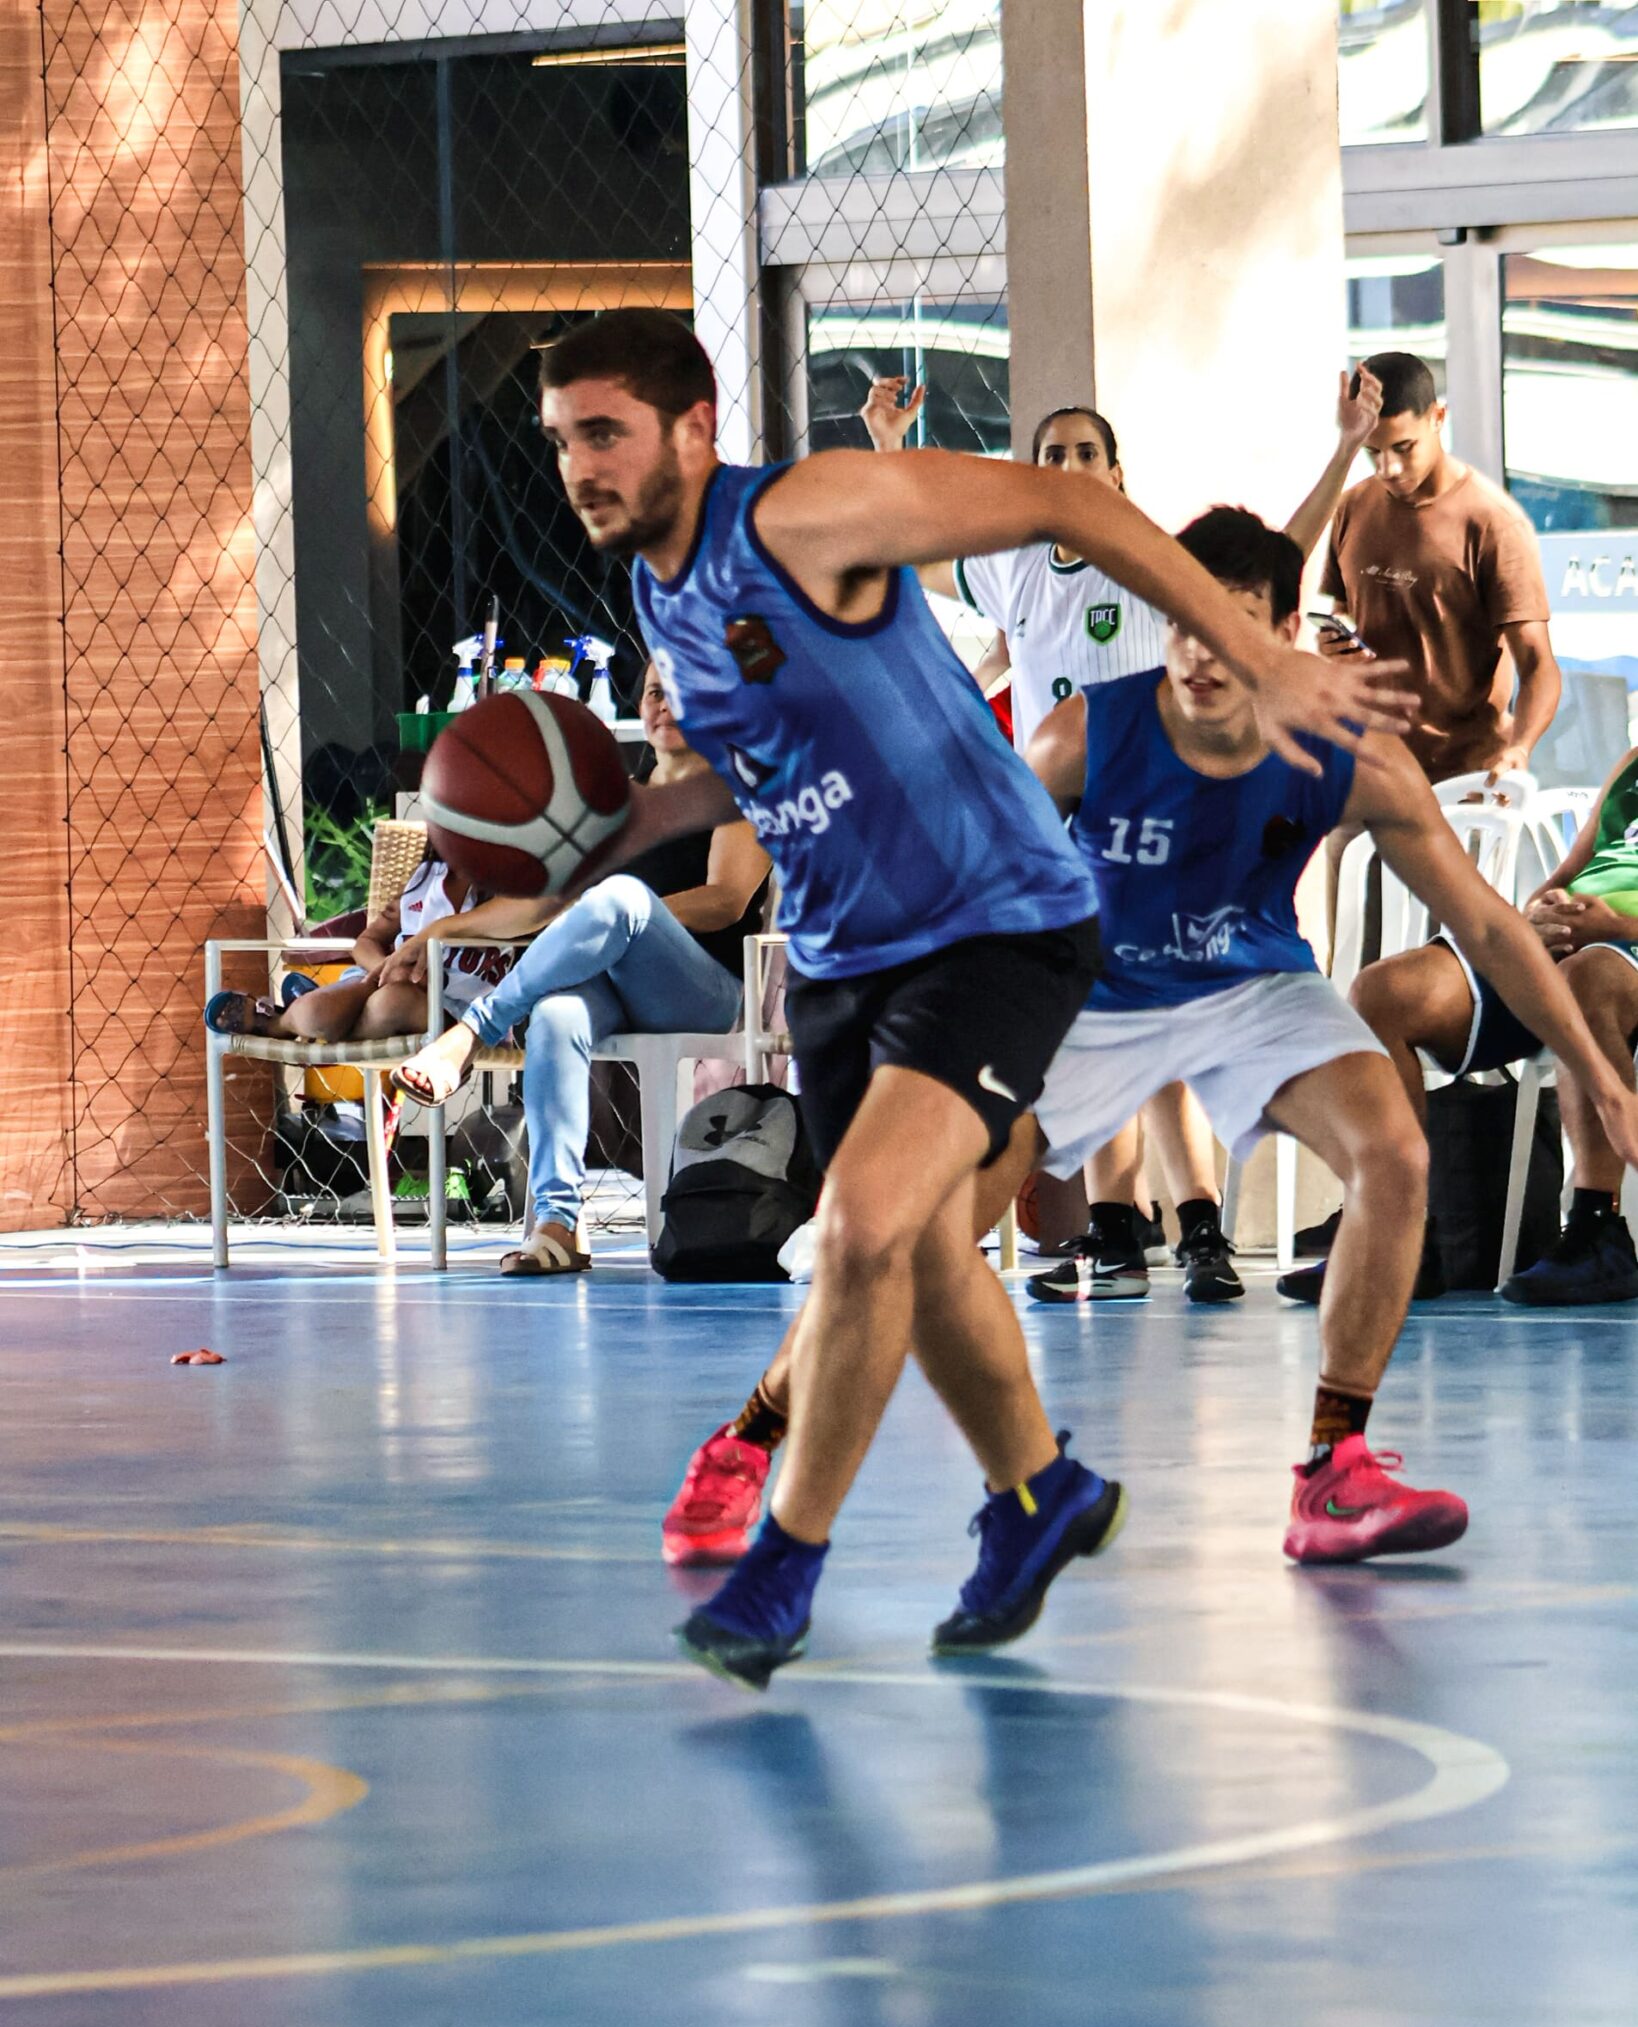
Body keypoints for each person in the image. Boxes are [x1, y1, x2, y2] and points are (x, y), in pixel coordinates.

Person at [531, 306, 1413, 1684]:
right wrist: (592, 838)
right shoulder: (661, 590)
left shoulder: (806, 514)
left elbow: (1070, 504)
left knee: (863, 1226)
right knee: (928, 1249)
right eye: (560, 440)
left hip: (996, 918)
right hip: (843, 954)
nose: (579, 466)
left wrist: (1261, 659)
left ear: (694, 430)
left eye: (605, 433)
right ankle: (1037, 1491)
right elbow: (768, 775)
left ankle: (782, 1565)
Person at [1020, 506, 1638, 1559]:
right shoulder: (1079, 738)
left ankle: (1332, 1468)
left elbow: (1490, 925)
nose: (1203, 653)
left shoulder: (1350, 756)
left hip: (1256, 983)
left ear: (1283, 637)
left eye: (1234, 626)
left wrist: (1604, 1080)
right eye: (1184, 620)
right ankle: (766, 1434)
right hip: (1105, 989)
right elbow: (983, 882)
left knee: (1393, 1153)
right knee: (919, 1216)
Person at [859, 369, 1386, 1302]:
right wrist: (888, 446)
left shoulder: (1150, 563)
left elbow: (1283, 558)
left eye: (1085, 453)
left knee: (1144, 1018)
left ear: (1116, 473)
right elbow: (907, 541)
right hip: (1056, 829)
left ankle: (1178, 1229)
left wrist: (1346, 447)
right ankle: (1119, 1235)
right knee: (1093, 1028)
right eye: (1052, 454)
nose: (1068, 466)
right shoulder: (1012, 567)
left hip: (1159, 824)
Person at [387, 663, 770, 1275]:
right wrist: (441, 928)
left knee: (618, 898)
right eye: (653, 692)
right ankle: (557, 1221)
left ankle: (472, 1030)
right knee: (556, 1014)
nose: (664, 703)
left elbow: (726, 899)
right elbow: (545, 905)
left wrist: (626, 917)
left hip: (706, 991)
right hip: (618, 987)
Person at [1322, 745, 1638, 1308]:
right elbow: (1568, 873)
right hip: (1569, 943)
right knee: (1383, 993)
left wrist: (1619, 925)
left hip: (1620, 950)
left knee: (1582, 979)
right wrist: (1537, 916)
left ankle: (1599, 1230)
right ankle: (1400, 1234)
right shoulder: (1632, 762)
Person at [1323, 350, 1562, 784]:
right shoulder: (1352, 507)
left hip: (1467, 778)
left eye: (1403, 447)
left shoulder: (1493, 523)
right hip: (1371, 768)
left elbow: (1538, 666)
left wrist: (1521, 747)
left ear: (1438, 417)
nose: (1388, 468)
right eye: (1373, 452)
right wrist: (1336, 645)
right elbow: (1345, 613)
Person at [203, 855, 505, 1045]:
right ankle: (289, 1021)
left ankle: (288, 1025)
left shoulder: (509, 893)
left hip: (459, 1011)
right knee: (342, 1004)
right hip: (379, 980)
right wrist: (386, 970)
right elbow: (365, 942)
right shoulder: (424, 880)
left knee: (388, 1002)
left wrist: (402, 977)